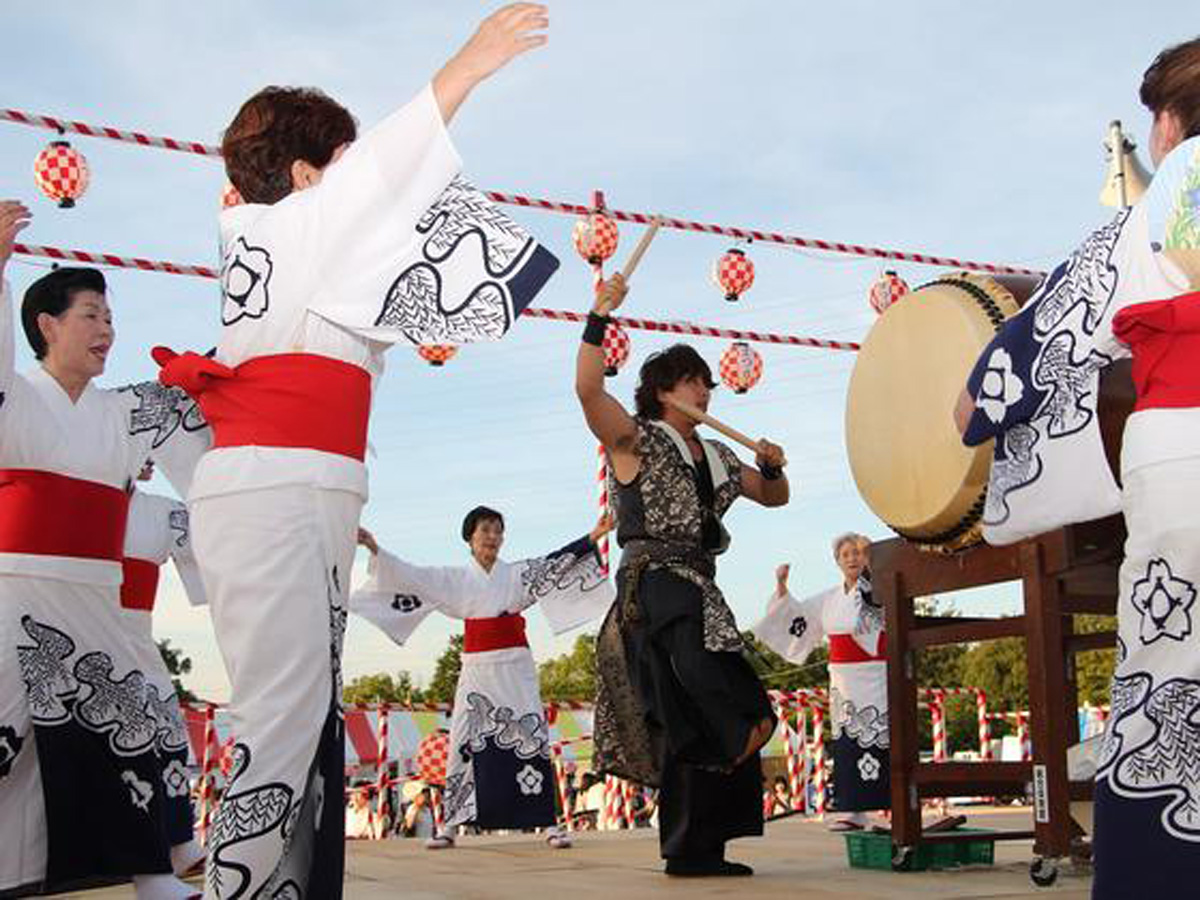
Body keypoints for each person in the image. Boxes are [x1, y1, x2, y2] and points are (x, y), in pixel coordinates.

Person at [151, 7, 556, 896]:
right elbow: (381, 175)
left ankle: (279, 888)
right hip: (279, 490)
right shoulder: (293, 227)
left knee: (300, 719)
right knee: (287, 717)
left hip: (295, 491)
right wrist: (465, 68)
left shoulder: (283, 240)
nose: (352, 175)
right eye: (335, 161)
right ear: (304, 174)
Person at [955, 38, 1200, 899]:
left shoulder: (1140, 225)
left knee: (1176, 672)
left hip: (1183, 461)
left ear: (1166, 125)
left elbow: (1019, 364)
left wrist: (975, 409)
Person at [0, 206, 210, 899]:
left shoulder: (121, 411)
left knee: (135, 722)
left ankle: (152, 872)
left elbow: (188, 413)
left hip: (95, 600)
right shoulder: (16, 400)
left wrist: (198, 380)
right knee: (11, 746)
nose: (107, 329)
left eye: (111, 318)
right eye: (91, 315)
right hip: (16, 592)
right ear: (47, 326)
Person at [576, 272, 789, 877]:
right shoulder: (635, 441)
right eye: (697, 380)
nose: (708, 390)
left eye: (708, 382)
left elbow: (775, 498)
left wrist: (771, 468)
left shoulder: (719, 455)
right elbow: (588, 389)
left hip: (699, 585)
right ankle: (742, 730)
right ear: (667, 390)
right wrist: (600, 312)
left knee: (688, 722)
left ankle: (698, 852)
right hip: (656, 585)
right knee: (706, 685)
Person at [352, 507, 614, 850]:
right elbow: (413, 576)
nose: (493, 536)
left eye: (498, 530)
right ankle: (449, 824)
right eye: (486, 529)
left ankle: (548, 822)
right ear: (470, 538)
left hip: (516, 668)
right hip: (477, 669)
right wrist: (374, 548)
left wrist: (594, 536)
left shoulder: (517, 575)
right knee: (462, 740)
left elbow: (553, 565)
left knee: (532, 736)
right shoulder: (454, 580)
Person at [754, 532, 888, 831]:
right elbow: (798, 618)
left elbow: (878, 612)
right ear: (837, 562)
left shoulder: (879, 587)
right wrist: (781, 587)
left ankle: (885, 803)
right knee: (845, 740)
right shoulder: (828, 599)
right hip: (843, 678)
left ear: (866, 556)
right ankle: (853, 810)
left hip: (876, 674)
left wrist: (872, 564)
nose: (852, 558)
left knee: (879, 736)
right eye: (846, 555)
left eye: (857, 552)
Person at [121, 462, 210, 879]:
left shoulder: (163, 512)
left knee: (169, 737)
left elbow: (217, 554)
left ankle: (179, 842)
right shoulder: (57, 489)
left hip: (136, 641)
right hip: (60, 629)